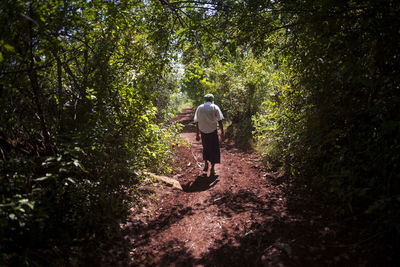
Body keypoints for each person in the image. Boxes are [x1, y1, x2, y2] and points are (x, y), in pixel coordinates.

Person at [194, 93, 224, 176]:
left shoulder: (199, 108)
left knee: (205, 147)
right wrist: (222, 132)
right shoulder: (215, 107)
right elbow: (220, 120)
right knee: (214, 149)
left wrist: (197, 134)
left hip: (203, 132)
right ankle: (213, 169)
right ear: (212, 100)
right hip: (213, 131)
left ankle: (206, 162)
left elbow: (197, 122)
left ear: (205, 100)